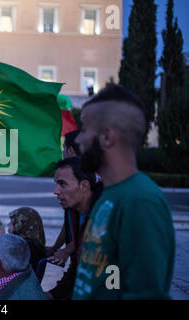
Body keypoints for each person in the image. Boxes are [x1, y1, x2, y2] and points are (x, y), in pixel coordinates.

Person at [73, 84, 175, 299]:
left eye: (83, 130)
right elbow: (112, 280)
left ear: (107, 137)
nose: (78, 140)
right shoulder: (108, 195)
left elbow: (145, 295)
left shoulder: (140, 202)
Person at [46, 157, 103, 300]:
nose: (55, 191)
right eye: (56, 184)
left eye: (62, 184)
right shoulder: (77, 212)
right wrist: (54, 294)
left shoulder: (105, 219)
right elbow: (78, 268)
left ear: (84, 186)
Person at [46, 130, 81, 260]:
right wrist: (55, 248)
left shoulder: (88, 181)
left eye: (62, 184)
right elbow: (68, 223)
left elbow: (91, 228)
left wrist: (67, 250)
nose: (56, 191)